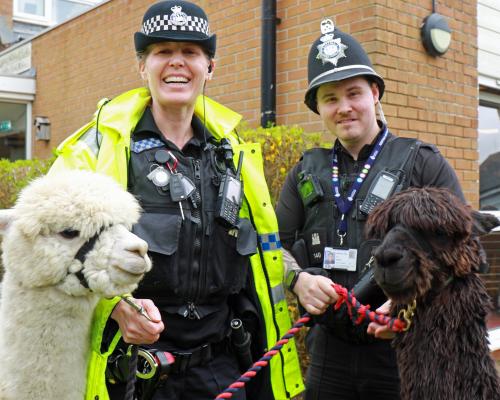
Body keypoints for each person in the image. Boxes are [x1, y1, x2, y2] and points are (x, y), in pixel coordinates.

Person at [49, 1, 304, 399]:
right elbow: (43, 248)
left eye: (190, 53)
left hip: (223, 369)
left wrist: (298, 279)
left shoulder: (235, 154)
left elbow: (262, 254)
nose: (177, 63)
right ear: (142, 66)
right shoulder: (98, 147)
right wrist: (114, 307)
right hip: (132, 371)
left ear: (210, 67)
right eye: (163, 52)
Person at [277, 18, 465, 400]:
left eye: (353, 93)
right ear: (319, 108)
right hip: (328, 351)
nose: (344, 107)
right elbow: (270, 246)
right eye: (330, 98)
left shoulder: (421, 163)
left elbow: (462, 250)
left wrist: (407, 304)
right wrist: (297, 281)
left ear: (375, 92)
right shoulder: (303, 172)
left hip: (401, 350)